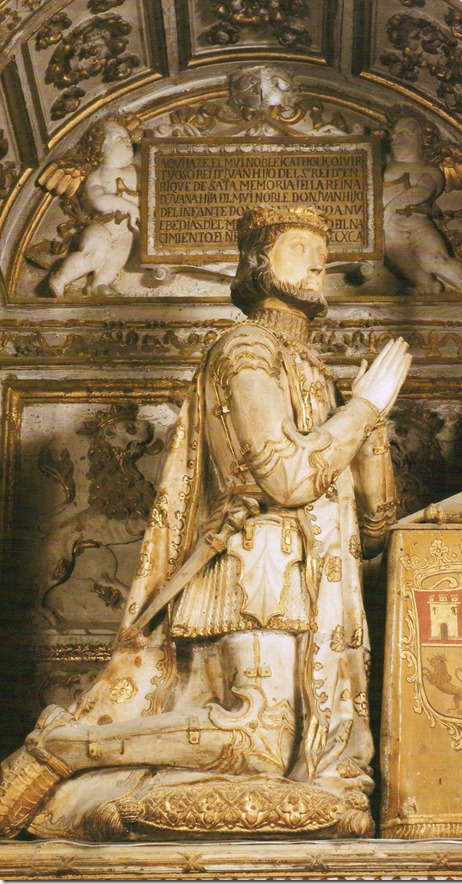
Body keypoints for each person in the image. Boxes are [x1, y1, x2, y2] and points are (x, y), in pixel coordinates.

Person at [0, 205, 411, 840]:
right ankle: (66, 748)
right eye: (299, 247)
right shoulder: (243, 348)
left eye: (320, 249)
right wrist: (361, 410)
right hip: (259, 572)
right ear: (259, 264)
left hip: (327, 590)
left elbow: (379, 529)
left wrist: (372, 423)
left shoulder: (319, 373)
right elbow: (286, 478)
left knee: (308, 779)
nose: (318, 260)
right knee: (255, 739)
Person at [383, 115, 462, 295]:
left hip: (418, 224)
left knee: (436, 257)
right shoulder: (382, 165)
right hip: (389, 230)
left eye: (403, 133)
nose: (395, 138)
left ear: (421, 140)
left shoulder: (428, 170)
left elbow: (423, 191)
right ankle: (427, 285)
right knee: (403, 259)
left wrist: (391, 207)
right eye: (394, 134)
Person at [46, 118, 139, 297]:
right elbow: (99, 200)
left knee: (117, 259)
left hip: (127, 231)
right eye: (119, 138)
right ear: (100, 148)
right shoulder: (97, 175)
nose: (127, 141)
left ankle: (99, 284)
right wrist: (129, 207)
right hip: (102, 227)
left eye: (127, 137)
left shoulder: (136, 170)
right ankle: (61, 277)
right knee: (93, 255)